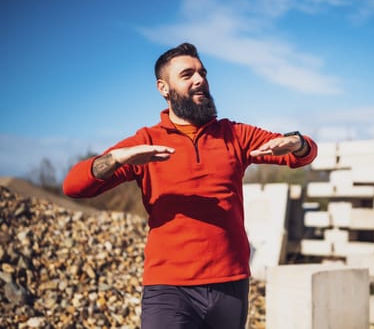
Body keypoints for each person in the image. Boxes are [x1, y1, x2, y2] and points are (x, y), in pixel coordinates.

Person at [63, 42, 318, 329]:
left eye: (202, 73)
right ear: (164, 88)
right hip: (169, 289)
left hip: (230, 285)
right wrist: (117, 158)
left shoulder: (234, 135)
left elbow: (305, 154)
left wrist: (296, 143)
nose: (200, 80)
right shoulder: (146, 142)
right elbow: (74, 187)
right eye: (187, 75)